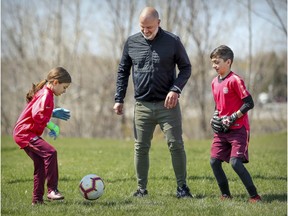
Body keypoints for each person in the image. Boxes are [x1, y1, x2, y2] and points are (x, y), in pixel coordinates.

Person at [113, 7, 192, 198]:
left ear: (159, 22)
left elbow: (186, 67)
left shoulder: (173, 41)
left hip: (168, 106)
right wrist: (119, 98)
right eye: (142, 27)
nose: (145, 30)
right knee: (140, 147)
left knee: (176, 144)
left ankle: (182, 188)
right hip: (142, 106)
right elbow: (123, 71)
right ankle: (141, 190)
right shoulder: (131, 42)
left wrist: (176, 89)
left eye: (149, 27)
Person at [209, 45, 262, 203]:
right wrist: (214, 117)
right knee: (214, 162)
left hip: (239, 129)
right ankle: (225, 194)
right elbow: (218, 104)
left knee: (235, 163)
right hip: (222, 131)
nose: (214, 66)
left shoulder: (235, 80)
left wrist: (233, 117)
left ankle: (255, 196)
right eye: (212, 62)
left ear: (228, 62)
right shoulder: (214, 82)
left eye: (217, 62)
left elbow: (249, 103)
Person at [13, 67, 72, 205]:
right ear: (56, 82)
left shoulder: (47, 94)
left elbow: (38, 110)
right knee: (51, 153)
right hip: (25, 133)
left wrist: (51, 112)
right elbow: (37, 114)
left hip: (25, 133)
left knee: (40, 165)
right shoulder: (46, 94)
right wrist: (53, 126)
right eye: (64, 87)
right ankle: (52, 190)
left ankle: (37, 200)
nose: (65, 91)